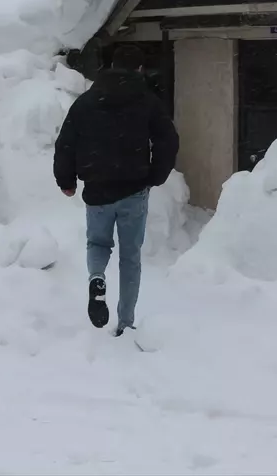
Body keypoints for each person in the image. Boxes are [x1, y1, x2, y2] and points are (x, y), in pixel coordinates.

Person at [53, 44, 179, 335]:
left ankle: (97, 277)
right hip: (134, 189)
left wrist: (66, 180)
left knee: (98, 244)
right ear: (139, 69)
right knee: (130, 256)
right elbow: (168, 140)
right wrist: (156, 175)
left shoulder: (86, 101)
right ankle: (126, 322)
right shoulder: (148, 101)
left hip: (97, 189)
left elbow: (66, 142)